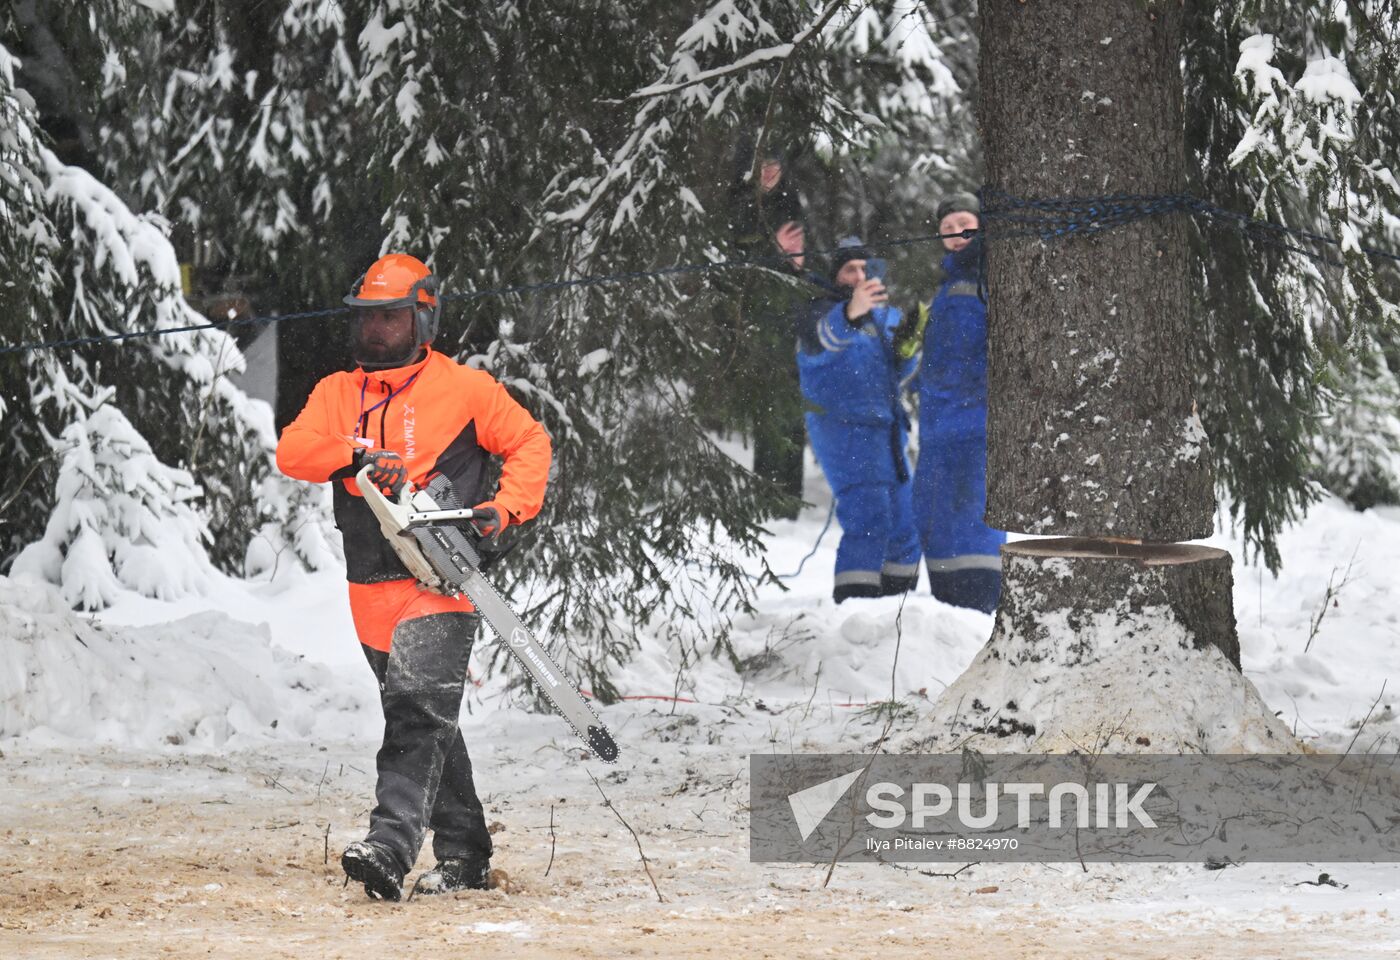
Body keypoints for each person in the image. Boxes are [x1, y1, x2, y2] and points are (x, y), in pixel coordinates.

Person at [275, 253, 552, 901]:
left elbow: (529, 442)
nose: (375, 329)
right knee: (427, 725)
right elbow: (294, 450)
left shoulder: (466, 388)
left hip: (443, 577)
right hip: (368, 582)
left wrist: (503, 508)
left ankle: (389, 844)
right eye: (367, 318)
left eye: (390, 317)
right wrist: (358, 455)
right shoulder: (337, 394)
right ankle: (466, 856)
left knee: (416, 715)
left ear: (422, 318)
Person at [796, 237, 921, 603]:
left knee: (903, 522)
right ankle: (856, 611)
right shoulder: (819, 312)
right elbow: (821, 345)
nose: (860, 275)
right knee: (869, 518)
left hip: (887, 431)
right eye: (851, 269)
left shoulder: (882, 319)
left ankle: (900, 610)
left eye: (865, 269)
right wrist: (851, 310)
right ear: (836, 277)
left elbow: (895, 371)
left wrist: (909, 348)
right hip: (843, 431)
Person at [909, 192, 1007, 613]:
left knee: (974, 515)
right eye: (946, 228)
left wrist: (972, 391)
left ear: (981, 225)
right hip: (938, 427)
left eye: (964, 223)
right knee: (935, 517)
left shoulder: (990, 274)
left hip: (973, 424)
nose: (955, 234)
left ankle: (980, 608)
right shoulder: (947, 285)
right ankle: (949, 610)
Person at [722, 135, 822, 516]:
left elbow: (800, 257)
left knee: (789, 408)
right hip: (754, 318)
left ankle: (788, 499)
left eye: (775, 165)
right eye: (762, 166)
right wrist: (772, 249)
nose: (769, 173)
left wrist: (796, 261)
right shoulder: (738, 204)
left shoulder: (791, 201)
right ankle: (766, 498)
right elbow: (734, 260)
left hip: (789, 315)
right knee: (766, 408)